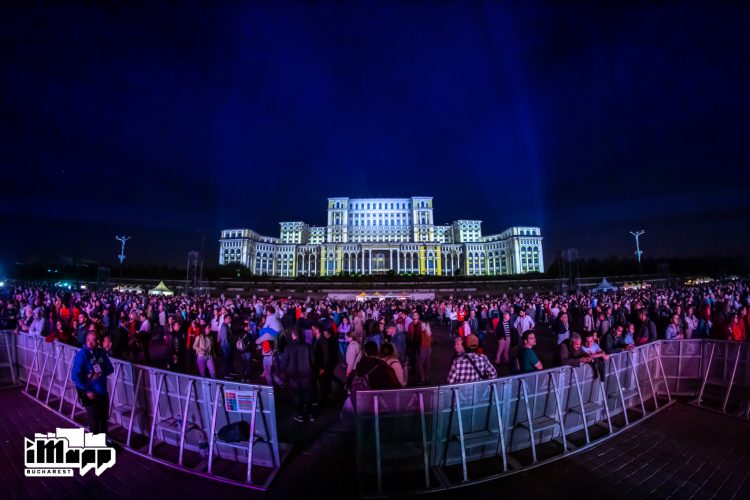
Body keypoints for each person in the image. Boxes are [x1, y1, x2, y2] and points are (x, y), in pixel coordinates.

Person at [71, 331, 114, 436]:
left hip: (103, 392)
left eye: (98, 339)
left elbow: (110, 368)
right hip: (91, 394)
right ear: (88, 340)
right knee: (94, 423)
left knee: (103, 421)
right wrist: (87, 390)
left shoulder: (101, 352)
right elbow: (75, 376)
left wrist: (100, 373)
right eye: (95, 339)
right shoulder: (82, 355)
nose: (98, 341)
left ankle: (103, 443)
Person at [282, 327, 314, 422]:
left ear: (293, 335)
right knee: (307, 394)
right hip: (306, 373)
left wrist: (284, 372)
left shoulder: (288, 348)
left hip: (293, 375)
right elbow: (313, 361)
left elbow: (284, 362)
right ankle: (310, 414)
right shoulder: (308, 347)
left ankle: (300, 415)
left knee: (297, 394)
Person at [218, 314, 234, 378]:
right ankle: (226, 374)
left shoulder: (226, 326)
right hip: (226, 345)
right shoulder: (224, 327)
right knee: (226, 360)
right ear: (225, 319)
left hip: (227, 345)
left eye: (230, 318)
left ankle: (230, 372)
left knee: (229, 359)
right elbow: (224, 339)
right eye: (229, 318)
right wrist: (228, 346)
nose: (230, 320)